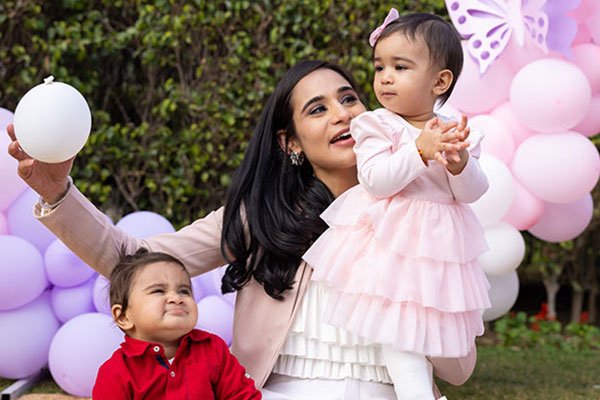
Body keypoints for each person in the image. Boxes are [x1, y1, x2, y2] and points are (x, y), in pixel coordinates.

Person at [7, 59, 473, 399]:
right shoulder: (260, 215)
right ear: (290, 142)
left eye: (349, 98)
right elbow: (133, 260)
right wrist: (57, 193)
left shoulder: (422, 210)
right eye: (317, 109)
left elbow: (457, 365)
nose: (343, 114)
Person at [302, 10, 491, 400]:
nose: (384, 77)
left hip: (439, 249)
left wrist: (460, 165)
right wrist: (418, 152)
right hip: (393, 242)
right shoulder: (377, 124)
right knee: (399, 330)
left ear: (440, 81)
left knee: (428, 327)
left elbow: (472, 191)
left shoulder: (453, 129)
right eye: (379, 67)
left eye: (400, 67)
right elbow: (375, 178)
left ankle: (427, 388)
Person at [92, 248, 261, 399]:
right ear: (123, 317)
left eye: (184, 291)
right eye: (158, 290)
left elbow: (242, 395)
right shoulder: (115, 373)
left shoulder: (212, 348)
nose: (176, 298)